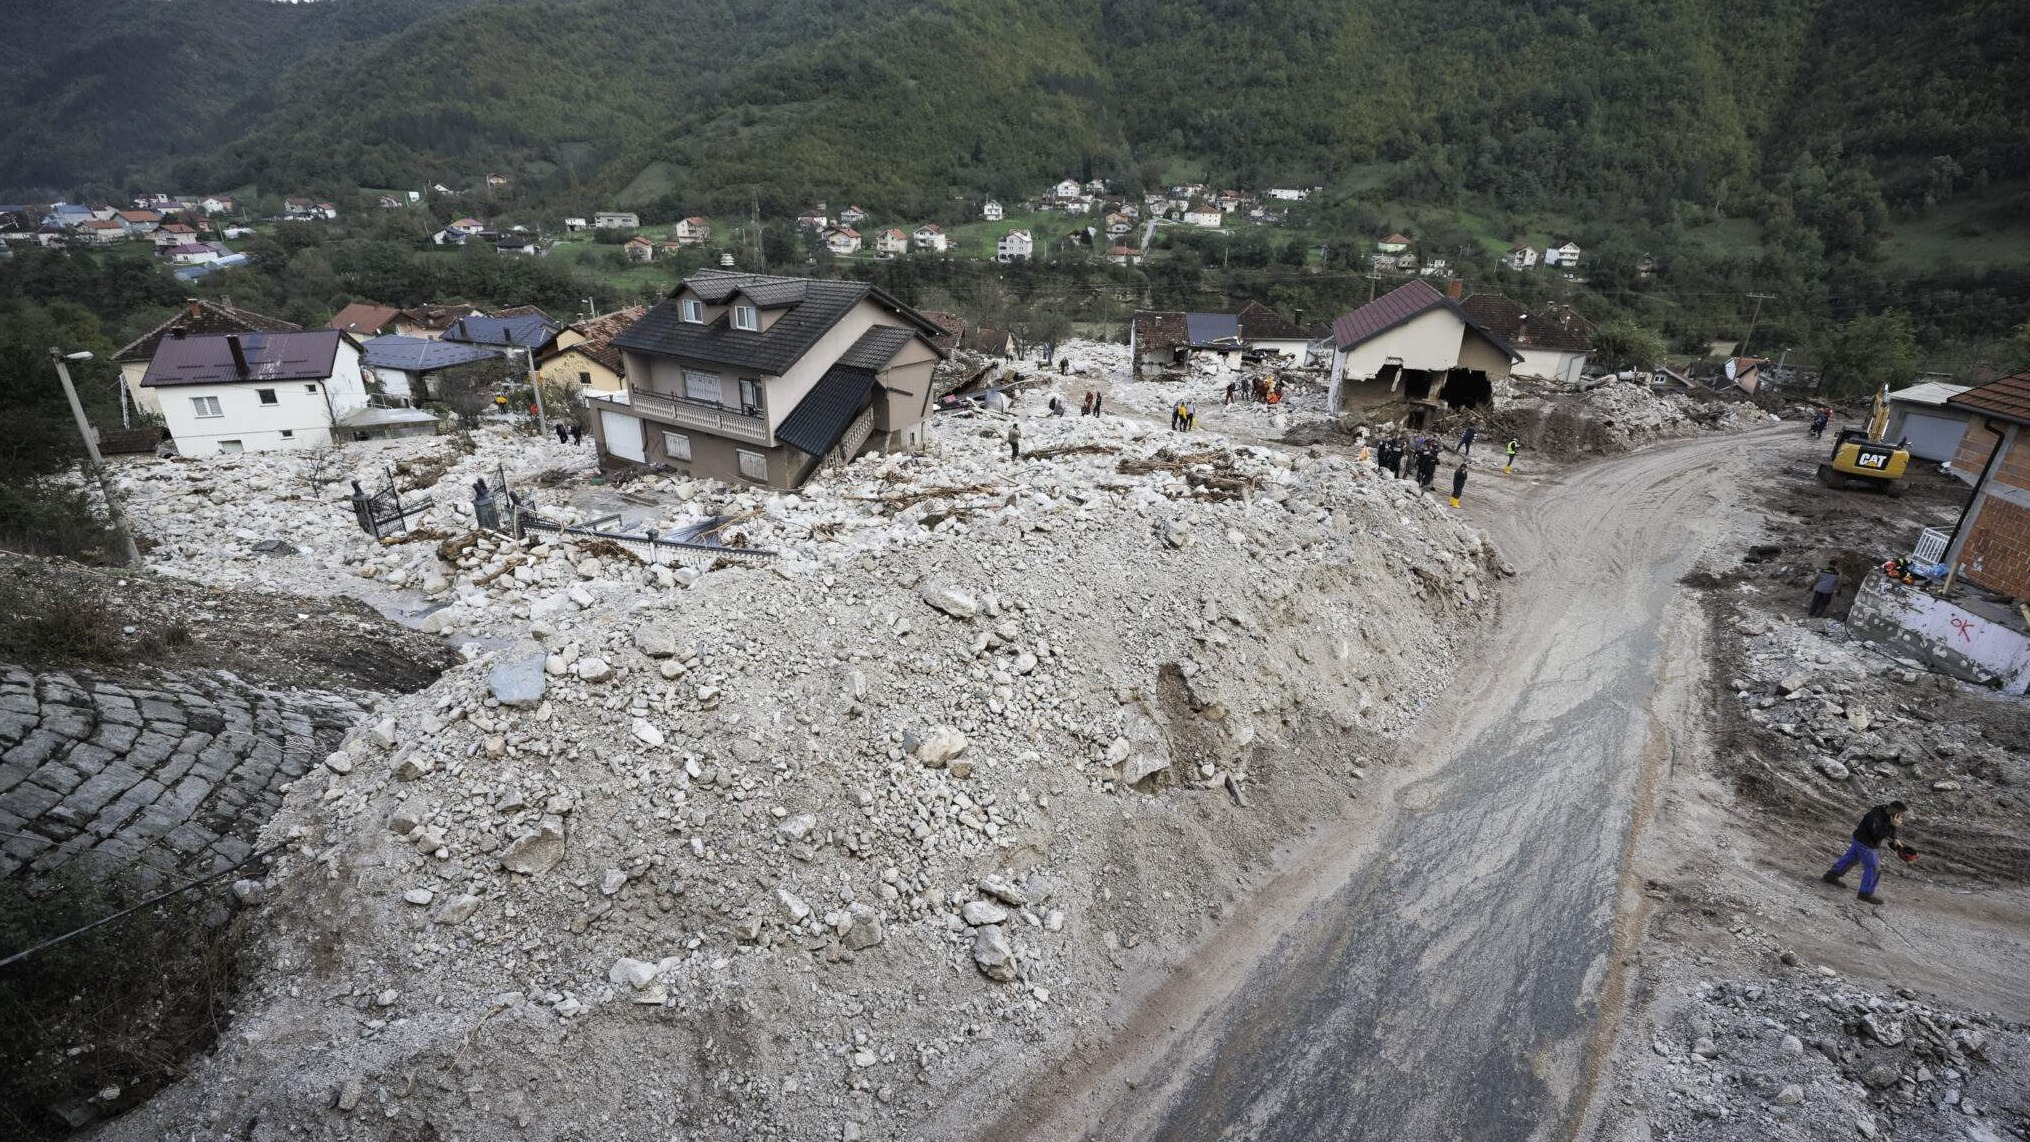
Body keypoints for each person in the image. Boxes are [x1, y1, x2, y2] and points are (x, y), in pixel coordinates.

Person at [1823, 801, 1915, 904]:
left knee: (1851, 859)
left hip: (1860, 839)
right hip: (1865, 843)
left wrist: (1895, 838)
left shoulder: (1886, 813)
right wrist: (1893, 826)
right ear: (1895, 811)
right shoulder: (1874, 817)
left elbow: (1887, 829)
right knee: (1873, 868)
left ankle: (1831, 876)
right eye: (1901, 814)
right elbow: (1878, 835)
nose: (1902, 817)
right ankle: (1865, 894)